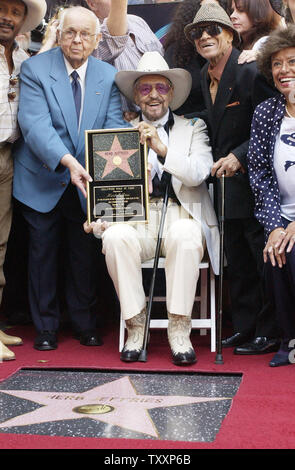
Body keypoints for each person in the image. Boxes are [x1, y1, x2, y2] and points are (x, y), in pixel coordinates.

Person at [84, 51, 220, 366]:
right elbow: (111, 191)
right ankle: (135, 326)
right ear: (136, 95)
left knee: (187, 234)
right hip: (136, 220)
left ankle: (179, 329)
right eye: (145, 89)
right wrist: (98, 220)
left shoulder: (193, 127)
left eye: (160, 88)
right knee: (115, 237)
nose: (154, 95)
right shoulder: (119, 133)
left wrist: (161, 149)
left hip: (180, 214)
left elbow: (199, 173)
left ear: (171, 92)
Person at [12, 5, 128, 351]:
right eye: (70, 32)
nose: (77, 40)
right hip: (42, 178)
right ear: (59, 33)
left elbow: (111, 127)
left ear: (96, 40)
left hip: (87, 182)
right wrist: (66, 161)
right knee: (42, 256)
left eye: (85, 34)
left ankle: (85, 323)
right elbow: (35, 125)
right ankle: (45, 327)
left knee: (83, 256)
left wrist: (129, 146)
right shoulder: (35, 68)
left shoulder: (108, 75)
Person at [184, 1, 280, 355]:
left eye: (213, 30)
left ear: (230, 35)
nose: (204, 37)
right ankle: (245, 327)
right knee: (236, 260)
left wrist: (239, 156)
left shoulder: (250, 71)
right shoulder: (203, 75)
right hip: (224, 189)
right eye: (198, 32)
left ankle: (269, 330)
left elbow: (271, 123)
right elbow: (210, 121)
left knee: (260, 259)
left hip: (255, 184)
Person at [0, 0, 46, 361]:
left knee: (0, 245)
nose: (7, 17)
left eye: (15, 12)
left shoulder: (21, 56)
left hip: (7, 156)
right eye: (2, 9)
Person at [247, 25, 295, 366]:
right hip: (281, 214)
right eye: (277, 64)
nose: (284, 70)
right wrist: (275, 225)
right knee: (276, 253)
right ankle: (289, 339)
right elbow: (259, 173)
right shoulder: (265, 112)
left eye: (292, 61)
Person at [85, 0, 164, 114]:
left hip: (161, 111)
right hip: (125, 120)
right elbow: (114, 35)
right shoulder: (91, 35)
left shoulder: (137, 21)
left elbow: (161, 58)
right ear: (92, 4)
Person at [164, 0, 230, 116]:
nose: (205, 35)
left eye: (215, 8)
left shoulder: (241, 62)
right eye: (198, 31)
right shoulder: (176, 53)